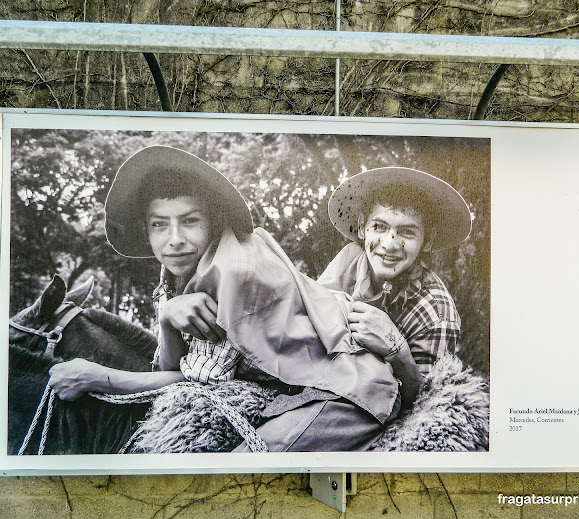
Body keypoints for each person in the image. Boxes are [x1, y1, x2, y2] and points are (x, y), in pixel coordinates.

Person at [49, 146, 402, 452]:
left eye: (189, 221)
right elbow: (172, 369)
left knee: (237, 474)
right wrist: (166, 317)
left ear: (213, 222)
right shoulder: (179, 269)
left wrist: (95, 376)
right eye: (160, 225)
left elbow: (194, 384)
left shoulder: (234, 271)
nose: (174, 239)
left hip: (348, 391)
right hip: (300, 390)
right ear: (146, 230)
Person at [317, 167, 472, 390]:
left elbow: (429, 403)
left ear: (427, 241)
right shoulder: (350, 260)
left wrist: (396, 349)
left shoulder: (437, 313)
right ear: (363, 228)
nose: (389, 244)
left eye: (407, 232)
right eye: (379, 227)